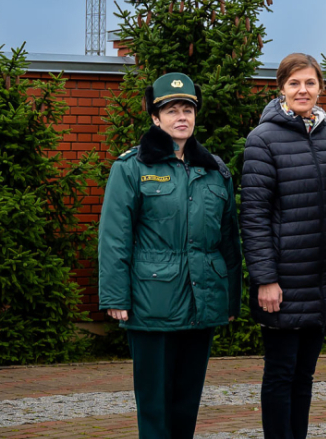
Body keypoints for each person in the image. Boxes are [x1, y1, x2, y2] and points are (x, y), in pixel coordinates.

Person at [98, 72, 241, 439]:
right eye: (172, 110)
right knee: (155, 405)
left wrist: (230, 300)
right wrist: (115, 296)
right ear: (155, 117)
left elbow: (228, 240)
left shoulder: (215, 171)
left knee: (186, 404)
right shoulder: (131, 168)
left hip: (202, 302)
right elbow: (114, 237)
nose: (181, 117)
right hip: (152, 302)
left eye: (187, 110)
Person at [241, 53, 326, 439]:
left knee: (304, 376)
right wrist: (265, 279)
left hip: (320, 279)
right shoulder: (262, 139)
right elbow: (254, 216)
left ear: (320, 88)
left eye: (310, 83)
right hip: (282, 282)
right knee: (281, 374)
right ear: (281, 88)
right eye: (294, 83)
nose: (303, 90)